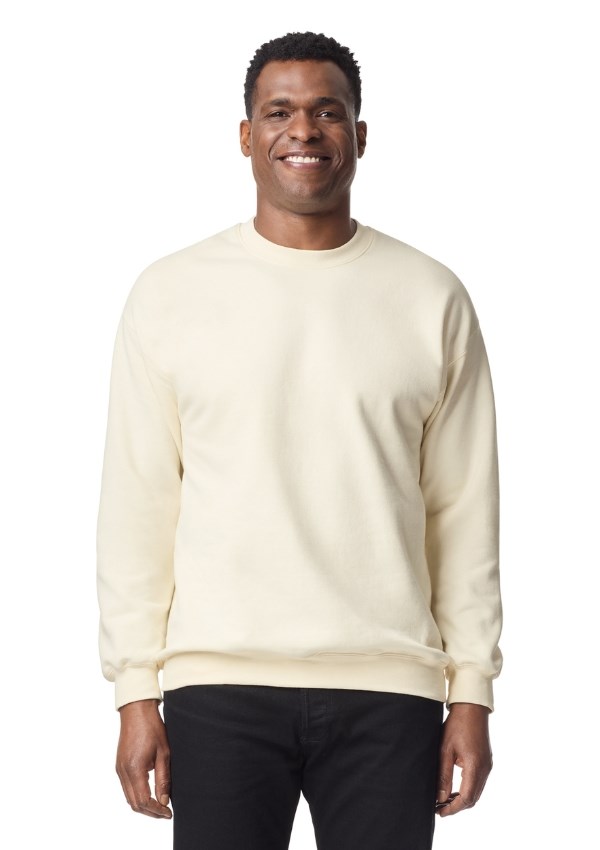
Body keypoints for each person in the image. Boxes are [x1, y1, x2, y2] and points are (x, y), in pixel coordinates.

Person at [96, 31, 503, 850]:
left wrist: (472, 693)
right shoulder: (171, 294)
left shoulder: (430, 297)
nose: (304, 131)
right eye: (279, 112)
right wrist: (135, 690)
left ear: (360, 134)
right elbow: (139, 505)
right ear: (246, 136)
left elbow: (462, 512)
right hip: (219, 684)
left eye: (328, 112)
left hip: (390, 689)